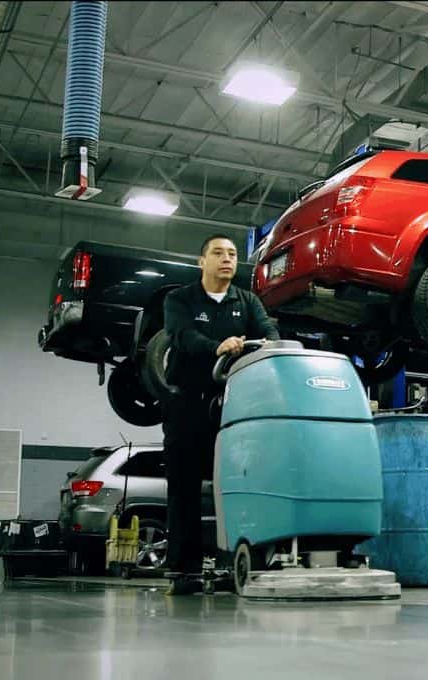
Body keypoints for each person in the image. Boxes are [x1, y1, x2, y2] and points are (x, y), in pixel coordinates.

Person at [161, 234, 280, 595]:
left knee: (239, 483)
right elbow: (182, 337)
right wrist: (218, 347)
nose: (227, 259)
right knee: (183, 487)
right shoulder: (179, 299)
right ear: (202, 261)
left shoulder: (247, 301)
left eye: (231, 254)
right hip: (187, 405)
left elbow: (269, 332)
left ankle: (236, 564)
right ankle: (184, 571)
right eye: (218, 253)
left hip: (234, 409)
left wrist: (269, 344)